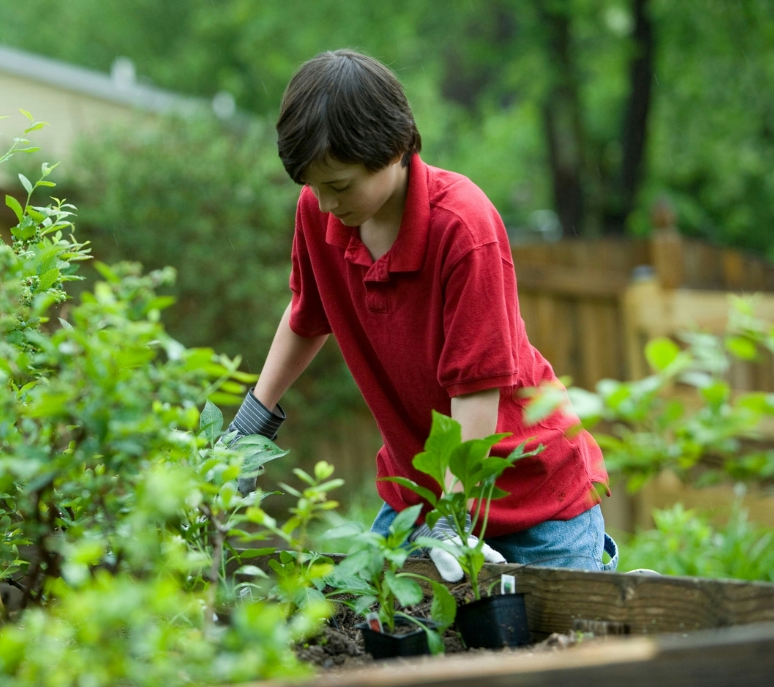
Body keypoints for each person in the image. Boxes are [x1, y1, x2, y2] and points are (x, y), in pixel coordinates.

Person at [227, 49, 617, 581]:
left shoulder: (462, 226)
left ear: (393, 149)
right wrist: (247, 430)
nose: (323, 203)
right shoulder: (319, 214)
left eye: (339, 185)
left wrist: (455, 520)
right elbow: (306, 315)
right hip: (421, 497)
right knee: (379, 633)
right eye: (311, 186)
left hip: (534, 502)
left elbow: (475, 390)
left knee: (550, 652)